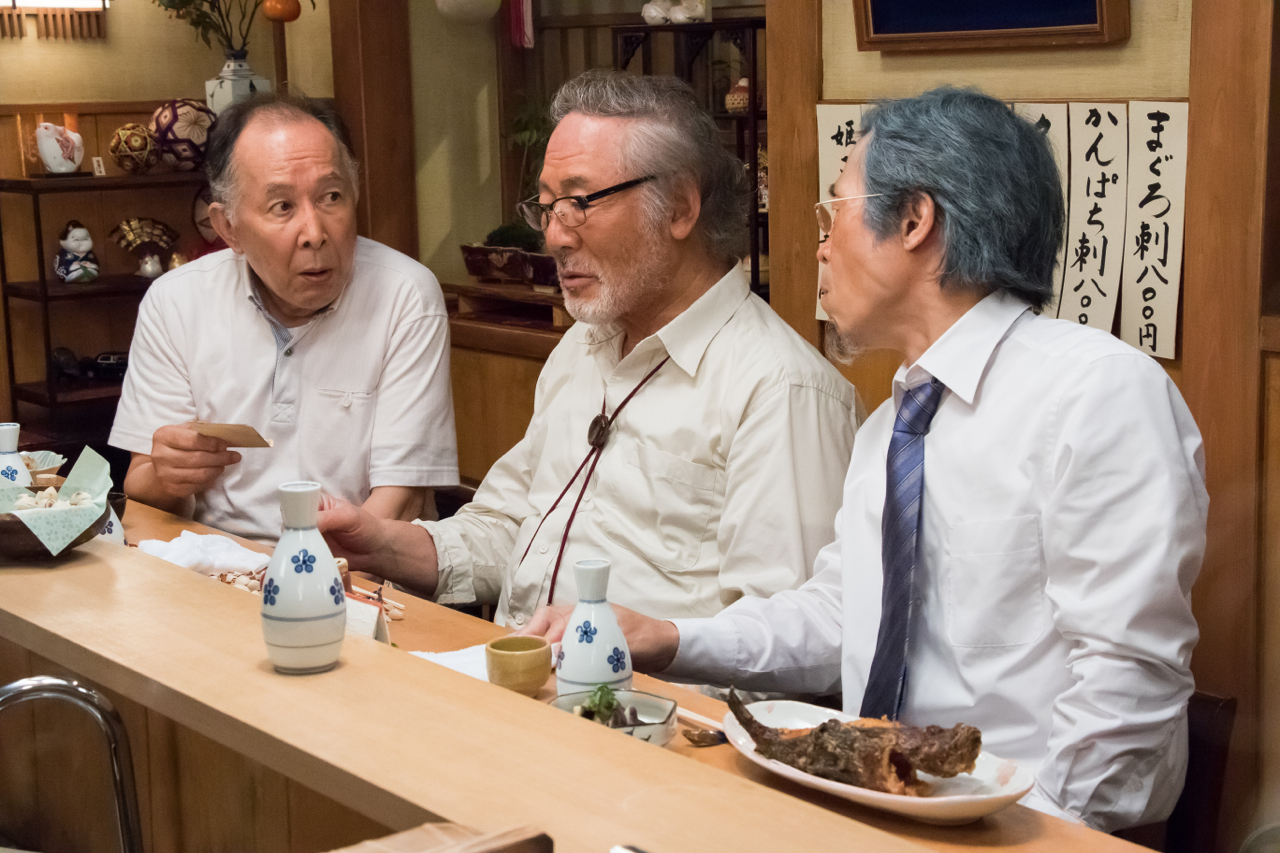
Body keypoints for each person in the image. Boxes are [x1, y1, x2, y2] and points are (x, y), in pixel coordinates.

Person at [522, 87, 1207, 832]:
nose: (820, 248)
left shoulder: (1095, 391)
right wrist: (669, 636)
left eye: (835, 214)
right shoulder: (895, 423)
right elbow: (837, 615)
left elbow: (1126, 684)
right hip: (872, 805)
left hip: (1026, 826)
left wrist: (1032, 833)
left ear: (914, 221)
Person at [317, 70, 861, 631]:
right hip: (513, 667)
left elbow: (794, 635)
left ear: (679, 207)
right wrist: (379, 543)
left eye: (578, 202)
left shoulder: (781, 389)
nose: (555, 235)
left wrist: (640, 643)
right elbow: (512, 530)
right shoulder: (583, 344)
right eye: (546, 207)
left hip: (638, 688)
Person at [110, 93, 458, 543]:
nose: (314, 233)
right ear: (228, 228)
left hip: (354, 565)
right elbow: (142, 489)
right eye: (283, 207)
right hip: (214, 563)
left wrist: (294, 573)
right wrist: (168, 474)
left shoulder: (405, 295)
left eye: (331, 197)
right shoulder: (175, 300)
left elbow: (402, 502)